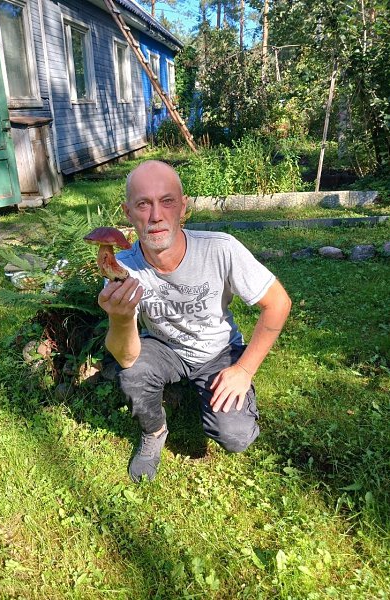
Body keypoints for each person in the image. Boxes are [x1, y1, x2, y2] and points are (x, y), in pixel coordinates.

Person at [98, 160, 292, 483]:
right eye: (143, 204)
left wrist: (244, 370)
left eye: (167, 201)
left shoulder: (219, 249)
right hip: (163, 347)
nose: (156, 215)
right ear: (128, 213)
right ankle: (154, 431)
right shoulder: (123, 269)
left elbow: (278, 303)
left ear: (183, 207)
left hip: (218, 351)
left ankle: (222, 394)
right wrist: (120, 319)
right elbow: (127, 357)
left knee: (236, 436)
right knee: (132, 374)